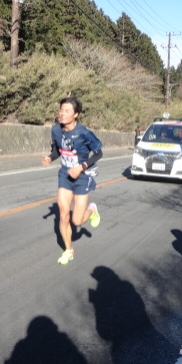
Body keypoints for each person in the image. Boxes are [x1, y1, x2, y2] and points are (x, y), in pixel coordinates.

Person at [42, 97, 103, 265]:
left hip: (82, 177)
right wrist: (49, 157)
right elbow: (57, 151)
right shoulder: (56, 130)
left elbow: (99, 153)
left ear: (75, 115)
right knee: (63, 215)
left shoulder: (84, 133)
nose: (62, 114)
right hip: (65, 176)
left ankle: (92, 210)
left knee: (77, 221)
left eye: (67, 111)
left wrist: (81, 167)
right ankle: (69, 250)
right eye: (61, 110)